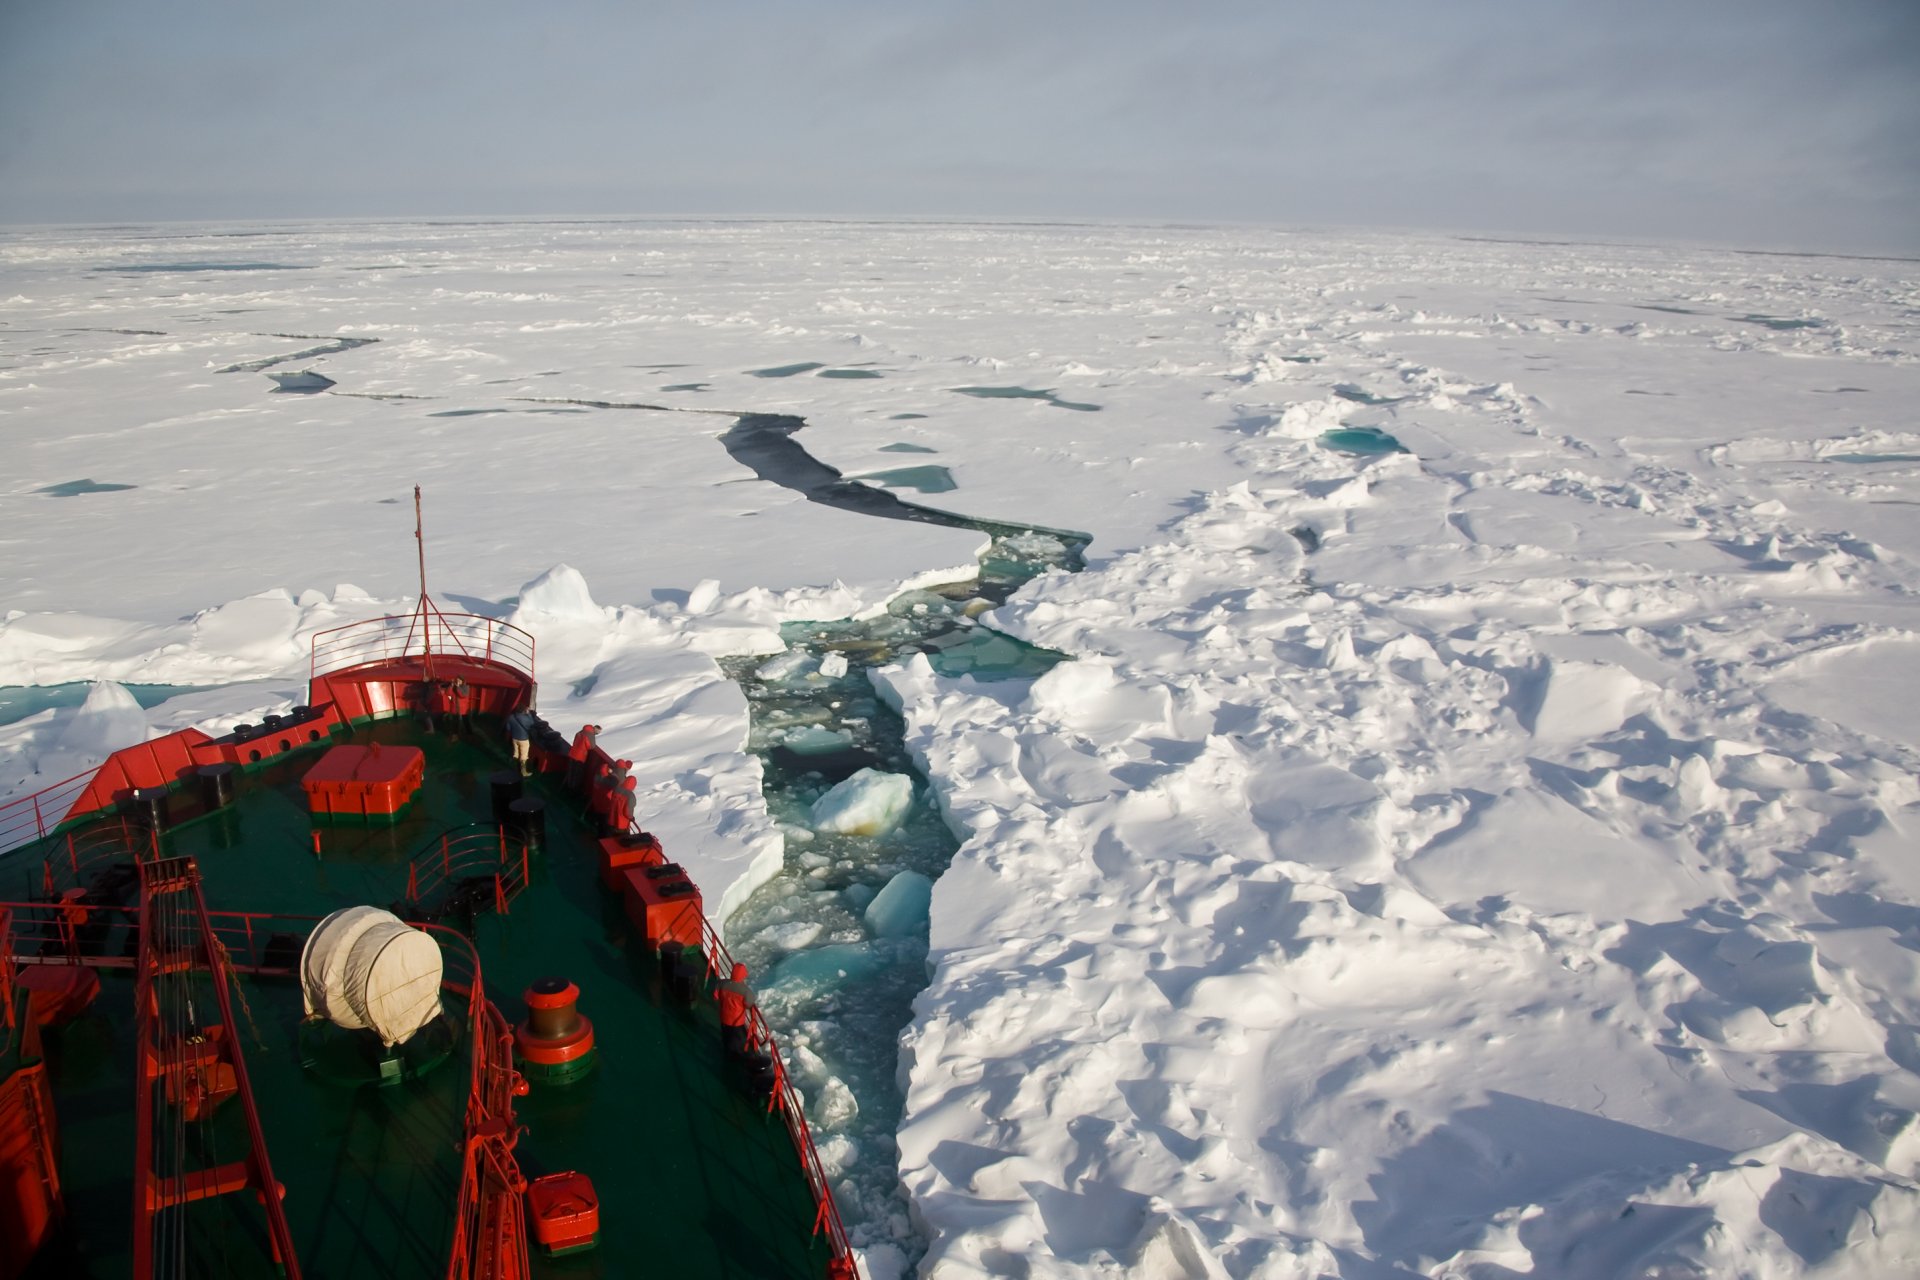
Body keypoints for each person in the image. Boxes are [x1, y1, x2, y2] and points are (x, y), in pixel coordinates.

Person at [716, 962, 755, 1056]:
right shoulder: (746, 991)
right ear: (743, 975)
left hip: (724, 1016)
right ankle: (735, 1057)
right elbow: (748, 1004)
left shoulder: (721, 983)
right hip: (736, 1021)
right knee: (736, 1040)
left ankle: (726, 1050)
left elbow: (716, 996)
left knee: (726, 1035)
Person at [567, 723, 600, 790]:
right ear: (595, 729)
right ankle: (573, 789)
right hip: (580, 757)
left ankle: (568, 785)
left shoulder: (581, 731)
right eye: (598, 731)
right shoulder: (590, 735)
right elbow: (591, 746)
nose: (598, 733)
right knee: (577, 774)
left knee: (571, 771)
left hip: (572, 753)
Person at [504, 706, 536, 777]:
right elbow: (532, 723)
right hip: (524, 740)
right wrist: (529, 714)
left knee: (516, 753)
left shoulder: (511, 717)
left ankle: (513, 762)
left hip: (514, 738)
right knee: (524, 756)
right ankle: (523, 772)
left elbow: (508, 728)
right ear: (524, 711)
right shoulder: (527, 718)